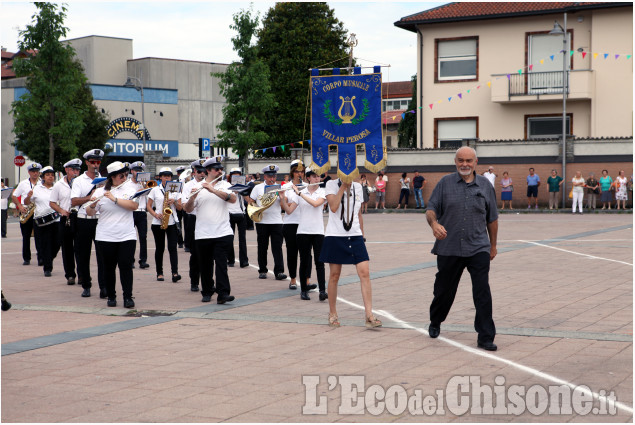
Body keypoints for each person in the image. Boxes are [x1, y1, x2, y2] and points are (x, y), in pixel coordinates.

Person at [425, 146, 498, 351]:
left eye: (468, 161)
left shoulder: (485, 185)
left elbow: (492, 218)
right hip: (449, 247)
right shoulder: (444, 184)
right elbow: (431, 209)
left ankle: (485, 336)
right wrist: (434, 224)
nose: (464, 164)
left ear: (476, 162)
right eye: (460, 160)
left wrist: (493, 245)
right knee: (444, 291)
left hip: (478, 247)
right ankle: (435, 321)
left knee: (482, 291)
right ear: (455, 162)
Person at [321, 175, 382, 328]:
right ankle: (332, 313)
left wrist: (362, 234)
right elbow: (333, 207)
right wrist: (343, 187)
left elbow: (358, 214)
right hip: (335, 235)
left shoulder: (358, 187)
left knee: (365, 272)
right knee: (334, 275)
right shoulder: (330, 184)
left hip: (354, 234)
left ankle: (369, 315)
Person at [183, 156, 237, 304]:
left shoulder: (225, 184)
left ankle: (223, 293)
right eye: (216, 169)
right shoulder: (197, 187)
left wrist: (212, 190)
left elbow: (232, 199)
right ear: (208, 171)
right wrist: (192, 198)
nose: (220, 171)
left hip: (223, 232)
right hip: (203, 234)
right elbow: (187, 210)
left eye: (221, 169)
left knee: (221, 264)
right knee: (205, 265)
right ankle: (207, 291)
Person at [86, 162, 138, 308]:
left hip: (126, 235)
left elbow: (133, 206)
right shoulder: (99, 192)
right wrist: (92, 204)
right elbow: (90, 213)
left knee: (126, 266)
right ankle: (111, 297)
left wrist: (114, 199)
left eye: (126, 175)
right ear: (113, 177)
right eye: (122, 175)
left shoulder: (130, 188)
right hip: (105, 236)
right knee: (109, 267)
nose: (124, 178)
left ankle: (128, 297)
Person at [280, 167, 325, 301]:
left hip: (318, 231)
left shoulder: (322, 192)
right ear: (308, 178)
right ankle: (303, 291)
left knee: (319, 262)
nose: (317, 179)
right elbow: (289, 211)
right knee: (304, 261)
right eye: (314, 176)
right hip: (303, 231)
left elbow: (316, 204)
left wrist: (300, 194)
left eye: (319, 176)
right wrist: (282, 198)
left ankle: (322, 290)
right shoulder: (300, 193)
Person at [70, 149, 106, 298]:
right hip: (83, 219)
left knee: (102, 255)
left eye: (98, 162)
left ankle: (104, 286)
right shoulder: (79, 180)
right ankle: (86, 285)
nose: (95, 165)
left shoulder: (104, 180)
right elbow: (74, 201)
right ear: (87, 163)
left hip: (100, 220)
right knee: (83, 255)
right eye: (92, 162)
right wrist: (90, 197)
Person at [248, 164, 287, 282]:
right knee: (262, 247)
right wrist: (257, 208)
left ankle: (279, 271)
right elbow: (251, 201)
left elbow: (283, 206)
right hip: (262, 221)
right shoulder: (258, 188)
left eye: (274, 176)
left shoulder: (280, 187)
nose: (272, 179)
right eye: (270, 176)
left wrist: (282, 196)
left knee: (277, 248)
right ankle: (262, 270)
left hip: (276, 221)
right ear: (265, 176)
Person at [24, 166, 61, 277]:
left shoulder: (57, 188)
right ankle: (47, 268)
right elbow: (26, 202)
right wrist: (28, 196)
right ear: (43, 177)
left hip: (56, 220)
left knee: (57, 244)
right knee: (45, 244)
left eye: (52, 175)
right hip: (41, 221)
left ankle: (48, 258)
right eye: (48, 175)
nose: (50, 177)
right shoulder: (37, 188)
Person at [49, 158, 82, 285]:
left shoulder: (80, 183)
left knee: (80, 248)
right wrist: (61, 210)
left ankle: (82, 274)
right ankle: (70, 275)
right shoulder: (58, 185)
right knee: (67, 248)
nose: (76, 172)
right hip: (66, 218)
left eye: (78, 170)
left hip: (79, 217)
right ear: (67, 170)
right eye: (73, 169)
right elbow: (52, 202)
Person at [147, 167, 182, 282]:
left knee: (172, 248)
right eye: (164, 175)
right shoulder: (155, 190)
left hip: (171, 222)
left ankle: (175, 273)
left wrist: (174, 201)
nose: (167, 177)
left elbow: (180, 207)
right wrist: (155, 214)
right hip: (158, 222)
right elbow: (149, 206)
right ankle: (159, 273)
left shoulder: (176, 190)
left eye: (169, 175)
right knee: (160, 248)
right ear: (160, 177)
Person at [181, 160, 207, 292]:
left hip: (207, 219)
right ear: (194, 172)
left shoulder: (210, 184)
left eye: (204, 171)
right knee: (195, 253)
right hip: (193, 219)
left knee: (207, 253)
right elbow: (185, 206)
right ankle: (194, 281)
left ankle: (208, 282)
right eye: (200, 171)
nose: (202, 174)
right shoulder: (188, 185)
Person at [12, 162, 43, 266]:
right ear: (29, 172)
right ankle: (26, 258)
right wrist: (20, 207)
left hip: (38, 211)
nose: (35, 173)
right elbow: (14, 195)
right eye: (33, 172)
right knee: (26, 236)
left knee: (39, 236)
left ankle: (41, 258)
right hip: (27, 211)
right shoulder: (23, 183)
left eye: (37, 172)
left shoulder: (42, 183)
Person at [282, 160, 307, 290]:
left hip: (305, 222)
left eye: (302, 171)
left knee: (306, 253)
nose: (299, 173)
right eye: (297, 171)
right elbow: (284, 207)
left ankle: (307, 279)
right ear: (292, 172)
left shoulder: (308, 186)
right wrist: (282, 198)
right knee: (292, 252)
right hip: (290, 223)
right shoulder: (286, 187)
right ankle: (292, 279)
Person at [128, 161, 150, 269]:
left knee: (143, 237)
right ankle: (130, 260)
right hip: (131, 211)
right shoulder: (127, 184)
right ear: (132, 171)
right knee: (131, 237)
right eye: (136, 171)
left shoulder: (144, 183)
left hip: (141, 211)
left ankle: (143, 260)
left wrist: (145, 187)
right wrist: (140, 190)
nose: (138, 173)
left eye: (140, 171)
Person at [227, 167, 249, 268]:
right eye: (234, 175)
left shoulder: (243, 186)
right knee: (230, 238)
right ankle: (231, 259)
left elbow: (248, 200)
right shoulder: (226, 186)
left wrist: (243, 190)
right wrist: (234, 191)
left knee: (242, 239)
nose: (236, 177)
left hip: (241, 213)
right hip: (230, 213)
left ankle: (244, 261)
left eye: (238, 175)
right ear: (230, 177)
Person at [174, 165, 186, 248]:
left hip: (186, 204)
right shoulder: (175, 182)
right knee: (178, 224)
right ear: (178, 174)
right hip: (178, 204)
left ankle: (187, 241)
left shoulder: (189, 182)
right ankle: (180, 241)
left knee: (187, 225)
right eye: (180, 173)